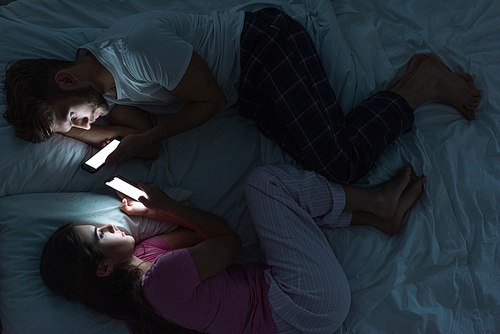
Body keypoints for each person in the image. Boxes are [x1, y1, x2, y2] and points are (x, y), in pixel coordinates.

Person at [3, 8, 481, 183]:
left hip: (263, 48)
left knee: (342, 164)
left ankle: (422, 84)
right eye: (75, 128)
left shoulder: (133, 50)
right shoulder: (107, 85)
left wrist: (139, 143)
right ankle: (413, 83)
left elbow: (206, 103)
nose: (85, 127)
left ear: (66, 80)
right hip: (248, 92)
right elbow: (141, 130)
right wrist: (82, 133)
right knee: (326, 162)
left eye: (74, 116)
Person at [40, 164, 426, 334]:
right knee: (264, 184)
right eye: (100, 234)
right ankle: (375, 201)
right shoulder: (158, 283)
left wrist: (156, 211)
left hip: (290, 300)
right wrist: (169, 208)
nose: (109, 224)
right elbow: (229, 240)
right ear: (103, 268)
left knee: (284, 212)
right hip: (304, 303)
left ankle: (379, 220)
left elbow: (209, 235)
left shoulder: (149, 254)